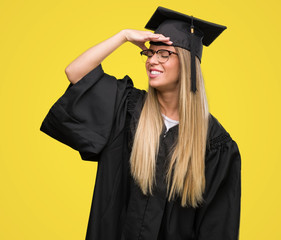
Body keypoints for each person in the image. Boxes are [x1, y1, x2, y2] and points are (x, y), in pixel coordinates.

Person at [40, 6, 241, 240]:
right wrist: (123, 35)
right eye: (149, 53)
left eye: (163, 53)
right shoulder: (127, 108)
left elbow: (218, 230)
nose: (152, 60)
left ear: (187, 63)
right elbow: (75, 73)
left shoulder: (215, 144)